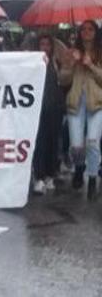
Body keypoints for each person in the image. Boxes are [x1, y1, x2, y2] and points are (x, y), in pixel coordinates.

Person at [59, 20, 102, 199]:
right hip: (76, 103)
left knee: (92, 141)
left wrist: (91, 64)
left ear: (96, 32)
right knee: (76, 146)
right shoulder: (71, 52)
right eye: (83, 29)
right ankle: (79, 167)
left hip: (97, 104)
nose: (86, 32)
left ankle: (92, 177)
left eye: (90, 29)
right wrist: (69, 64)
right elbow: (63, 81)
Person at [32, 34, 66, 195]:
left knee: (53, 143)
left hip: (55, 109)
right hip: (38, 110)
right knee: (40, 143)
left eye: (47, 44)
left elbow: (65, 80)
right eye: (42, 44)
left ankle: (50, 174)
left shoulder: (57, 63)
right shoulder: (31, 62)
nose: (45, 47)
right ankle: (39, 177)